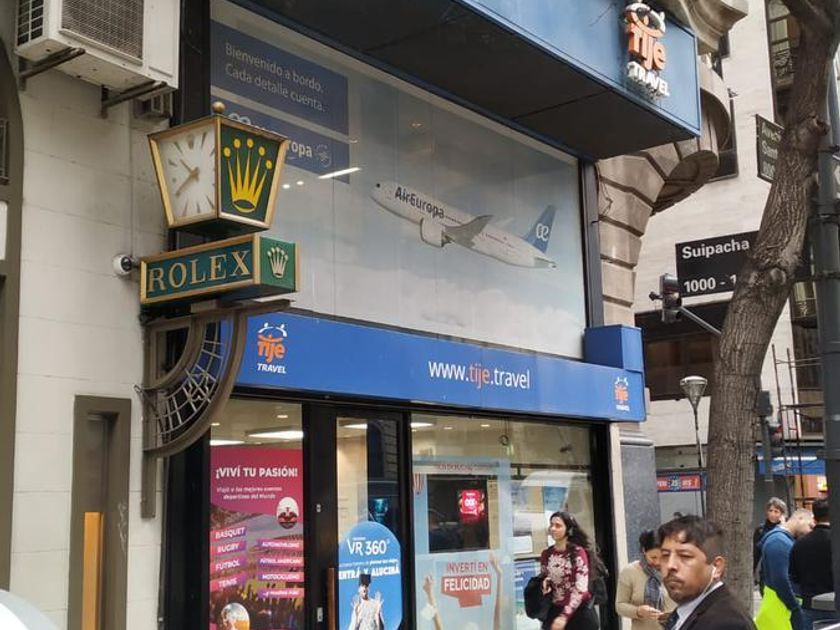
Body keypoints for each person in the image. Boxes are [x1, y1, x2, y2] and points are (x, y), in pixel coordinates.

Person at [657, 514, 756, 630]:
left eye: (685, 556)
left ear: (717, 567)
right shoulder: (686, 612)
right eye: (665, 555)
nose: (670, 565)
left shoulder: (726, 623)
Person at [755, 508, 814, 630]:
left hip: (781, 607)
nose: (810, 531)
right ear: (800, 519)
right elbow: (781, 579)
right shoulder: (779, 542)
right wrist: (795, 607)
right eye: (809, 526)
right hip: (782, 609)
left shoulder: (781, 540)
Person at [539, 511, 599, 630]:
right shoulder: (547, 554)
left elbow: (581, 588)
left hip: (579, 613)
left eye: (558, 526)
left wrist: (564, 616)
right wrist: (544, 584)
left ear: (568, 529)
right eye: (551, 525)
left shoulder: (577, 553)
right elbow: (544, 576)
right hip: (555, 611)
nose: (553, 529)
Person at [615, 529, 676, 630]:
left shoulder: (675, 570)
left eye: (662, 556)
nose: (657, 562)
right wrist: (638, 611)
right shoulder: (630, 572)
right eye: (653, 557)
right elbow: (620, 605)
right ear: (644, 551)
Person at [790, 499, 836, 629]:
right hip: (835, 605)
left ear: (814, 519)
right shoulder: (836, 541)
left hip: (810, 606)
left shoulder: (799, 544)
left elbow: (794, 577)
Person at [754, 497, 788, 584]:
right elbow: (756, 554)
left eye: (776, 511)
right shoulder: (761, 530)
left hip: (784, 570)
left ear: (782, 514)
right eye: (770, 510)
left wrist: (783, 526)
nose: (772, 514)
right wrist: (752, 572)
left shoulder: (787, 529)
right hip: (766, 572)